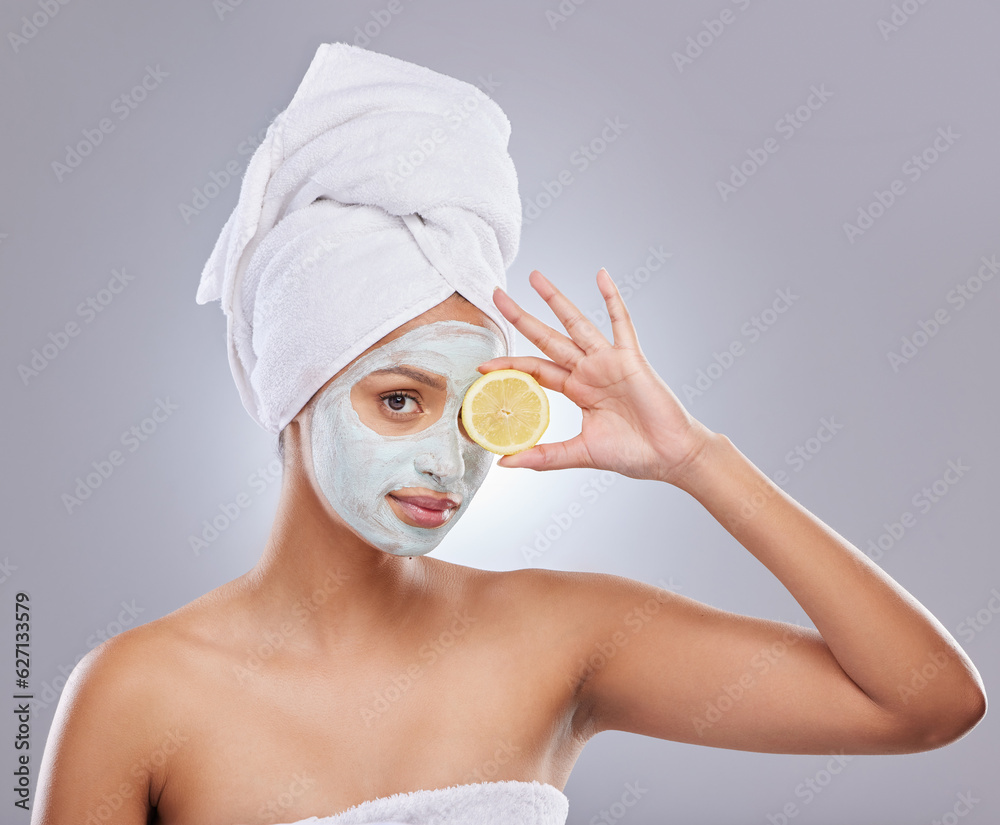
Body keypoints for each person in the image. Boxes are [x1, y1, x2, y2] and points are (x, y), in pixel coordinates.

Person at [31, 42, 986, 825]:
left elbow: (926, 702)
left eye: (476, 409)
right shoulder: (138, 692)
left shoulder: (562, 636)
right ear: (295, 390)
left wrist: (698, 460)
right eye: (398, 400)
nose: (448, 459)